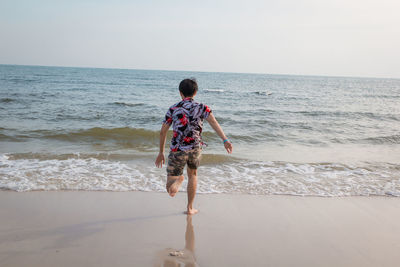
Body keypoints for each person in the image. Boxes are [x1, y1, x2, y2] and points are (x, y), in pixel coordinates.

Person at [155, 78, 233, 215]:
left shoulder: (173, 109)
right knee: (193, 175)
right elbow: (214, 122)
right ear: (195, 92)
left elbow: (163, 132)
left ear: (180, 93)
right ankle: (190, 208)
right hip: (196, 148)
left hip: (177, 149)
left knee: (171, 189)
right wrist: (225, 140)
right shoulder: (203, 107)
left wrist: (161, 152)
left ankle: (178, 179)